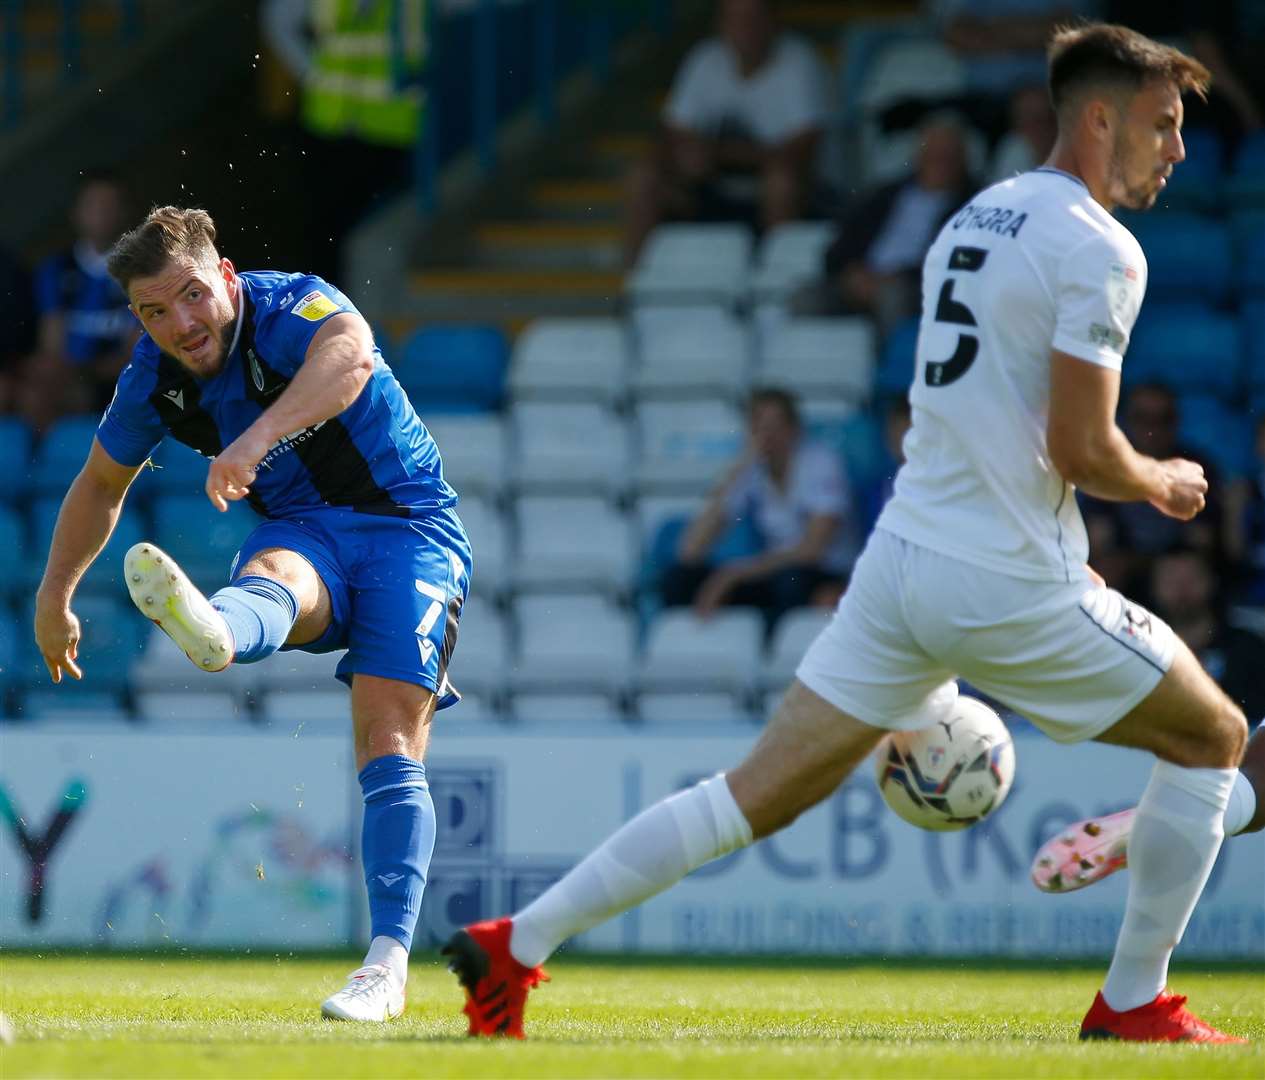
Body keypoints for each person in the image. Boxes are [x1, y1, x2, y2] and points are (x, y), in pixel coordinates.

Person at [444, 24, 1253, 1043]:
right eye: (1163, 124)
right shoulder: (1098, 248)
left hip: (900, 562)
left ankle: (514, 944)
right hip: (1006, 579)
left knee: (749, 797)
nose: (1176, 149)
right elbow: (1085, 450)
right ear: (1100, 118)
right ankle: (1131, 1002)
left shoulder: (975, 215)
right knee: (1213, 736)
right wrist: (1162, 482)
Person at [32, 206, 471, 1024]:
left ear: (226, 277)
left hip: (410, 531)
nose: (180, 323)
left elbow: (351, 356)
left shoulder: (291, 305)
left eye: (191, 296)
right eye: (153, 312)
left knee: (385, 736)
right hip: (305, 534)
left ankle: (384, 968)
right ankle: (222, 633)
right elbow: (99, 484)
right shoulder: (152, 379)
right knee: (276, 571)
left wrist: (254, 440)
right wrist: (54, 595)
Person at [623, 0, 831, 268]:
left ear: (773, 21)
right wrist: (684, 154)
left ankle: (776, 286)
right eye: (734, 19)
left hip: (784, 194)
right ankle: (635, 287)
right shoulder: (704, 58)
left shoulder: (800, 60)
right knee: (643, 177)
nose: (744, 28)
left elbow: (802, 148)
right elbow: (672, 132)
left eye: (752, 17)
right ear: (720, 24)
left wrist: (720, 154)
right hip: (711, 189)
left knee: (781, 181)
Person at [659, 387, 854, 628]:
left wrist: (733, 575)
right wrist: (741, 466)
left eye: (775, 425)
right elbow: (690, 549)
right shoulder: (752, 471)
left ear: (794, 429)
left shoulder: (821, 463)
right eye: (758, 426)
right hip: (773, 573)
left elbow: (812, 550)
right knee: (680, 579)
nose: (767, 435)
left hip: (822, 572)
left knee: (790, 582)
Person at [798, 112, 976, 332]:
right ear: (918, 156)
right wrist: (851, 272)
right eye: (932, 154)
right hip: (860, 279)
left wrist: (893, 278)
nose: (939, 162)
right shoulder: (885, 195)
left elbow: (954, 262)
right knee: (804, 298)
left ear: (962, 159)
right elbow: (840, 245)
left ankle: (890, 365)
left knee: (893, 298)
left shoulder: (972, 205)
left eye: (947, 156)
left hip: (914, 287)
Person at [21, 173, 137, 432]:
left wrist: (86, 373)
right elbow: (52, 347)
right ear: (76, 213)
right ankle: (37, 467)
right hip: (70, 381)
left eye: (109, 205)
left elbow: (136, 355)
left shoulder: (141, 272)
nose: (101, 213)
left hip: (119, 383)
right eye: (93, 204)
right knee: (33, 392)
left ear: (124, 212)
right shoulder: (55, 270)